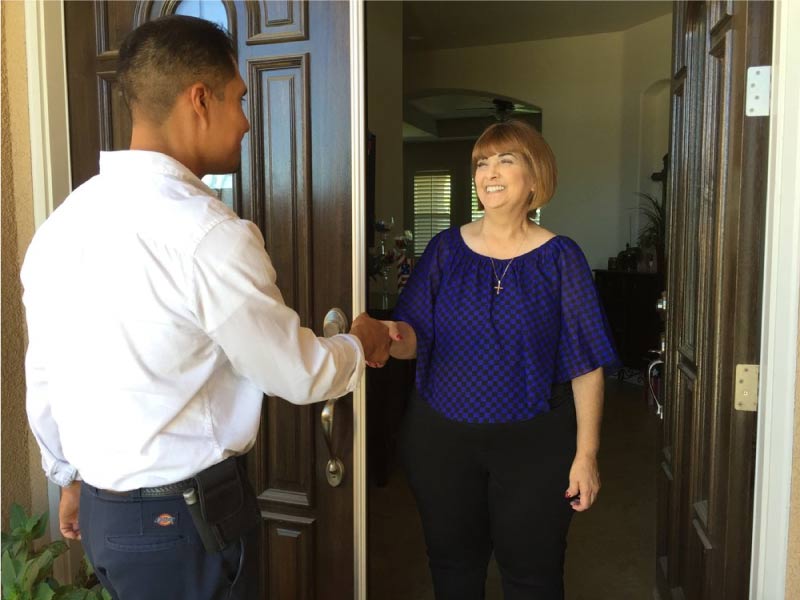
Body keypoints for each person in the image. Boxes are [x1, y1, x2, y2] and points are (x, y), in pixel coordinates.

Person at [20, 15, 390, 600]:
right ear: (200, 99)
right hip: (181, 526)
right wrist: (361, 343)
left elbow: (43, 372)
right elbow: (297, 373)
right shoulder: (207, 234)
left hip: (104, 515)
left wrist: (66, 477)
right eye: (239, 99)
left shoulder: (62, 226)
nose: (246, 122)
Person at [382, 120, 619, 599]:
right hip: (441, 441)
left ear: (535, 177)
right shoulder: (445, 250)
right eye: (481, 163)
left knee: (534, 575)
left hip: (535, 445)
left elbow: (586, 362)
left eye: (505, 160)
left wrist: (587, 454)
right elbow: (412, 337)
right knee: (453, 569)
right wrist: (381, 336)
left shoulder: (560, 258)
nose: (489, 172)